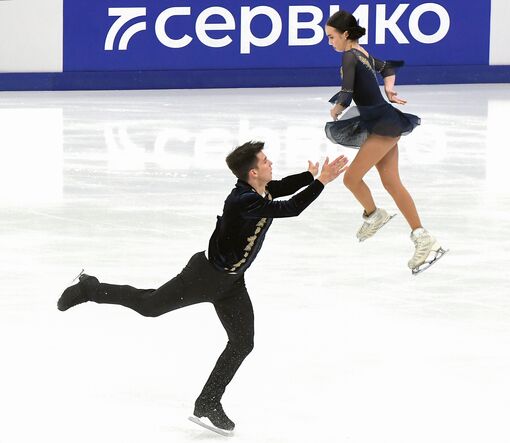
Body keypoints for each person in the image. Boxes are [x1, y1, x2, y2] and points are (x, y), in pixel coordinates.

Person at [57, 141, 348, 435]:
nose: (271, 163)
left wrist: (309, 177)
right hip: (204, 276)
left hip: (233, 282)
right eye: (265, 161)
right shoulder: (241, 200)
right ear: (252, 173)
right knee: (150, 306)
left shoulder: (261, 189)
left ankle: (208, 403)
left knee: (242, 342)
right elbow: (289, 208)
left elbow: (281, 188)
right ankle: (90, 288)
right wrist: (321, 182)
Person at [324, 10, 447, 274]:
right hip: (382, 121)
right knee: (391, 182)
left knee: (351, 179)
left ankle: (374, 214)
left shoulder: (349, 56)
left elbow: (347, 91)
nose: (330, 42)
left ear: (345, 34)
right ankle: (424, 238)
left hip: (382, 125)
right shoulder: (362, 53)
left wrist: (337, 109)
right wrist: (389, 88)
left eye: (332, 37)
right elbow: (388, 68)